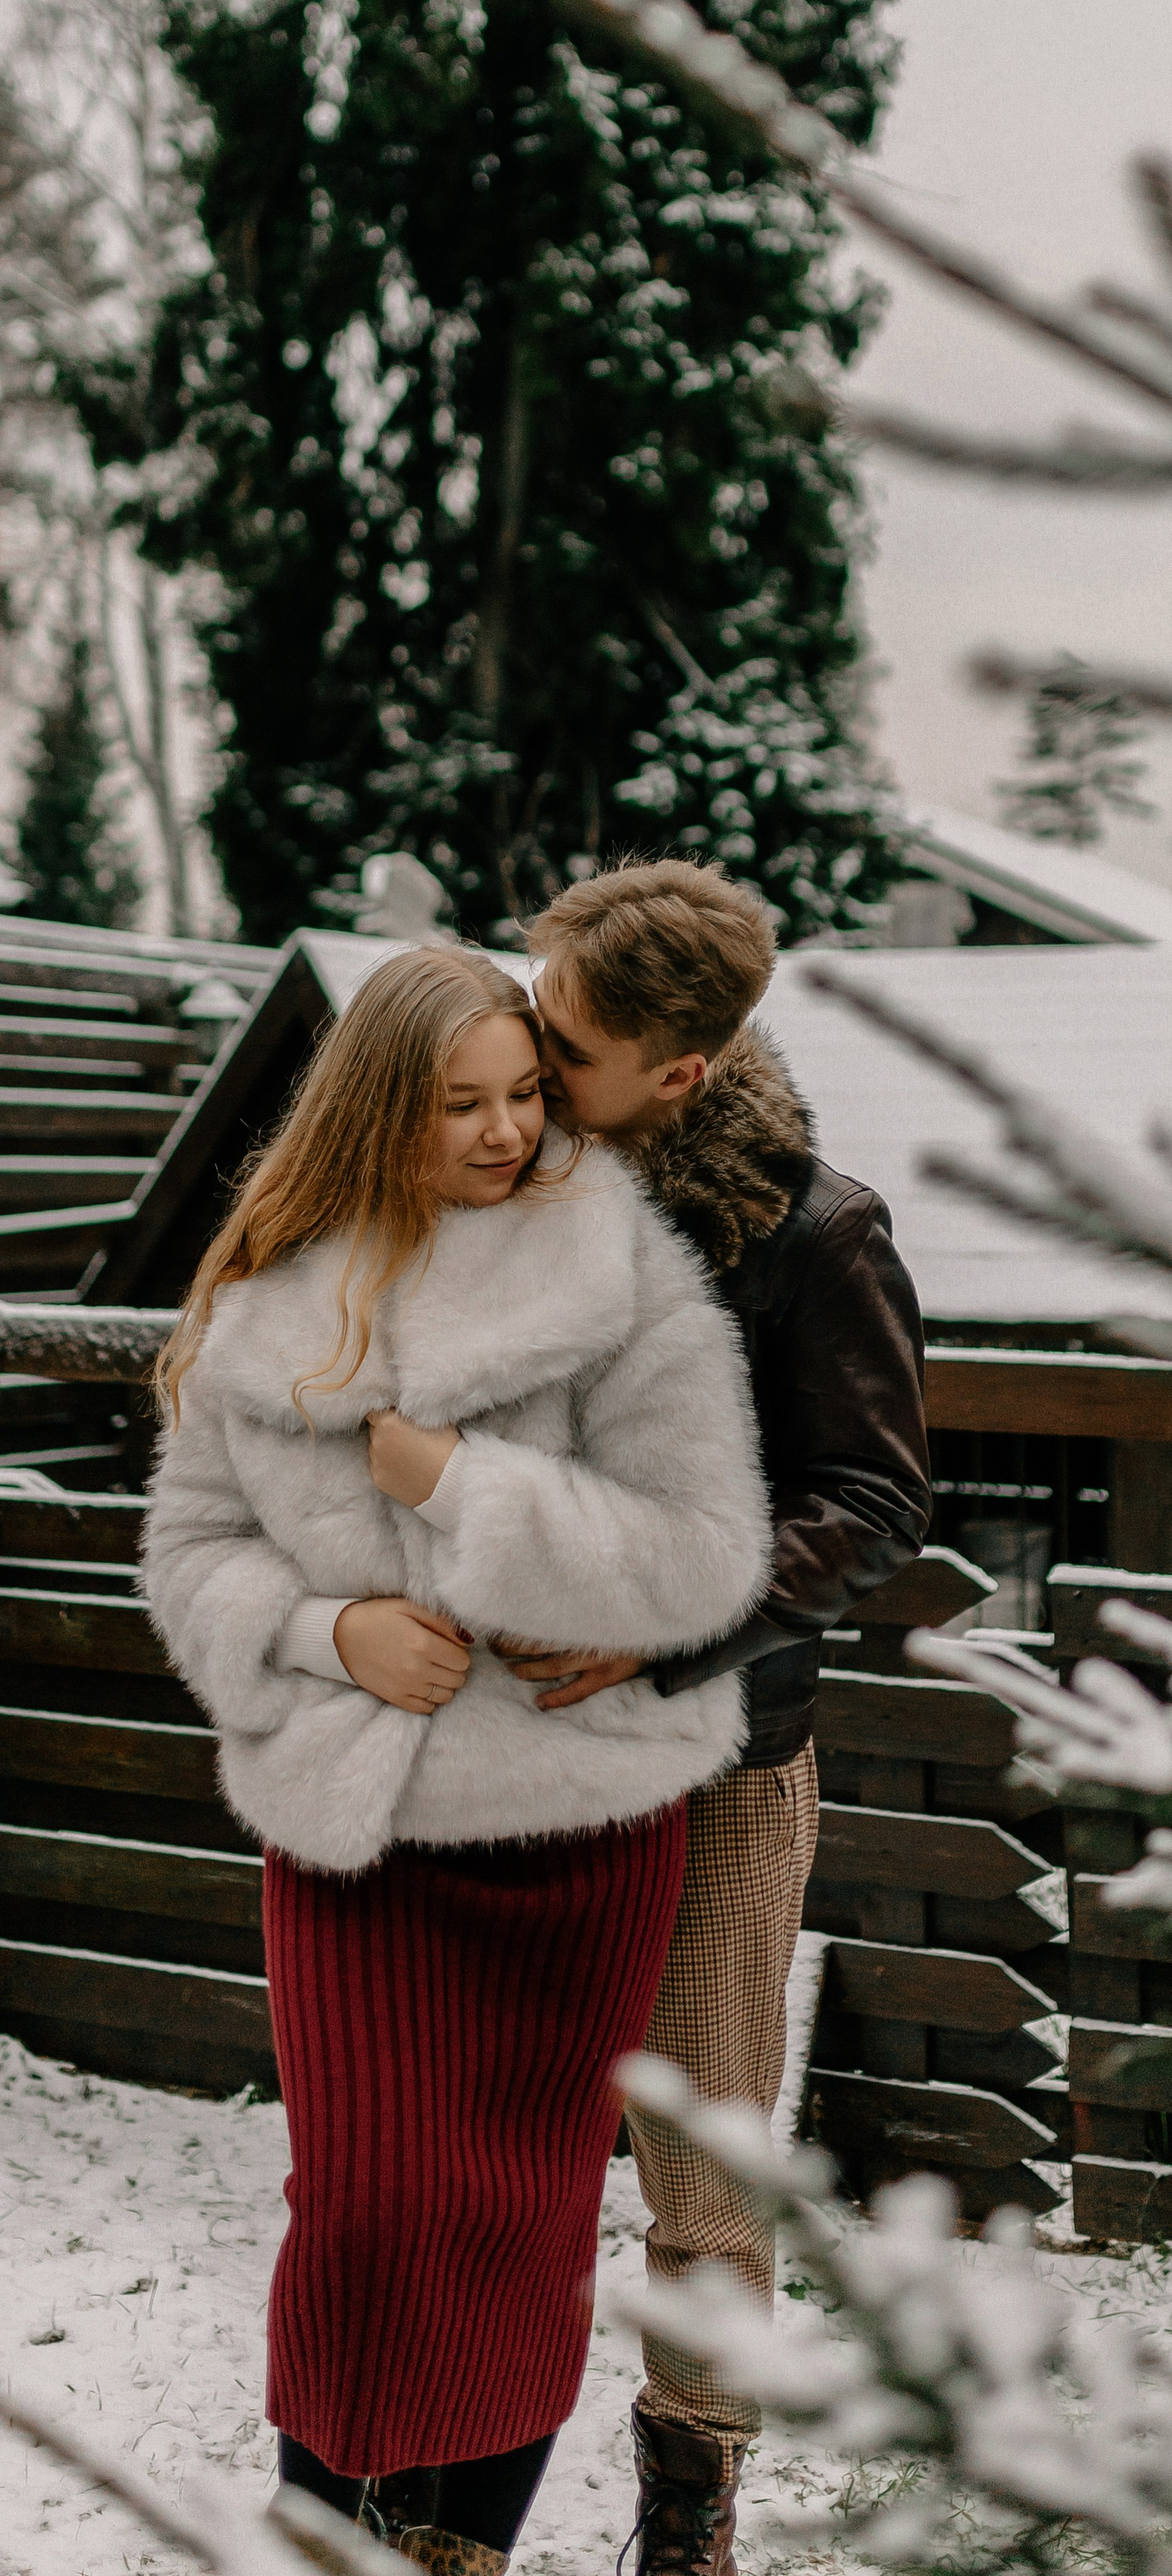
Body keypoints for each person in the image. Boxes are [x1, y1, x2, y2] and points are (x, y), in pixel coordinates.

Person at [143, 946, 771, 2576]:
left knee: (514, 2218)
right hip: (354, 1829)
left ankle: (449, 2550)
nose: (506, 1133)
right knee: (361, 2210)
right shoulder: (266, 1290)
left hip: (573, 1821)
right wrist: (325, 1632)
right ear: (375, 1112)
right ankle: (317, 2525)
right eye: (459, 1105)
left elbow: (706, 1554)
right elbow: (191, 1551)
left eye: (521, 1097)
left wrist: (460, 1488)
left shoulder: (618, 1275)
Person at [504, 859, 932, 2576]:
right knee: (494, 2152)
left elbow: (874, 1501)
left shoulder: (818, 1236)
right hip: (502, 1761)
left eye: (566, 1045)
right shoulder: (503, 1172)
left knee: (700, 2171)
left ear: (679, 1072)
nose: (532, 1058)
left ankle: (690, 2502)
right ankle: (452, 2481)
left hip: (714, 1768)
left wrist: (654, 1625)